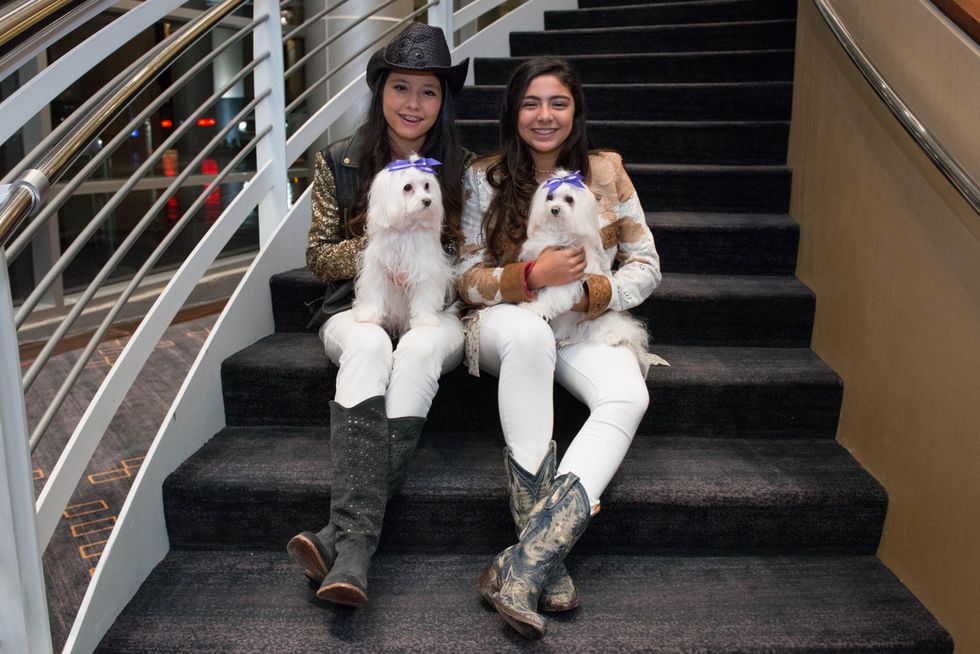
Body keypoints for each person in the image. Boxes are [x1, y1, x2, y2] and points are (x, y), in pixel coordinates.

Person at [457, 57, 661, 639]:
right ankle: (540, 559)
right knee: (526, 334)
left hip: (581, 320)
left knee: (627, 394)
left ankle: (528, 561)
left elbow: (646, 264)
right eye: (531, 103)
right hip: (507, 318)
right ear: (513, 111)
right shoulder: (483, 176)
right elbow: (465, 278)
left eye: (558, 103)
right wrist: (530, 277)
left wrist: (590, 293)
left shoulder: (607, 171)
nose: (544, 116)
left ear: (576, 110)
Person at [286, 22, 471, 607]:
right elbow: (317, 256)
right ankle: (356, 545)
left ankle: (345, 540)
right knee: (368, 346)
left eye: (428, 91)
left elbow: (471, 254)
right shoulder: (338, 159)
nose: (413, 104)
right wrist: (378, 249)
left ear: (443, 101)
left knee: (416, 349)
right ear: (380, 91)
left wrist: (426, 257)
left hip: (432, 306)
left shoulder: (461, 167)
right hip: (354, 305)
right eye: (401, 88)